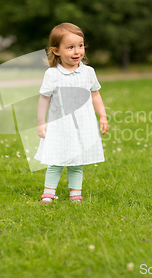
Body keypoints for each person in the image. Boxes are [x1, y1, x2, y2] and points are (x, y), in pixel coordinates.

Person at [34, 23, 109, 203]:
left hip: (82, 126)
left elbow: (95, 94)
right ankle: (48, 192)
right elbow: (44, 99)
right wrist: (40, 122)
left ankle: (75, 193)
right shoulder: (52, 75)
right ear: (56, 50)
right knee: (56, 161)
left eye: (80, 46)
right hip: (59, 126)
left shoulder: (88, 72)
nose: (77, 52)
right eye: (70, 47)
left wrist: (103, 116)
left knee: (77, 162)